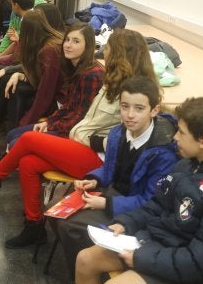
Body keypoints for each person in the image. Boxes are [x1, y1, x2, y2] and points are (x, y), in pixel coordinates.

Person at [0, 29, 158, 248]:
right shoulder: (113, 81)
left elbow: (121, 139)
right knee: (28, 163)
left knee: (29, 140)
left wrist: (87, 139)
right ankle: (34, 227)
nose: (105, 51)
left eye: (108, 47)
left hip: (98, 158)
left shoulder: (134, 93)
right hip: (80, 144)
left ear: (120, 53)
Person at [55, 76, 178, 276]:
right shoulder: (117, 133)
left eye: (139, 108)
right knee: (57, 209)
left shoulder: (162, 151)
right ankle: (84, 270)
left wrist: (106, 204)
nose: (130, 115)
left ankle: (88, 271)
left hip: (133, 210)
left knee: (70, 225)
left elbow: (150, 201)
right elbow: (109, 168)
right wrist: (93, 179)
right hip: (112, 194)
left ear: (154, 110)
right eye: (124, 106)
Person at [75, 97, 203, 284]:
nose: (175, 137)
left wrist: (141, 258)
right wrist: (126, 223)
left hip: (181, 267)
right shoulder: (184, 166)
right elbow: (155, 205)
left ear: (202, 141)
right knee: (85, 260)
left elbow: (196, 263)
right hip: (154, 245)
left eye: (182, 133)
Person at [0, 22, 104, 148]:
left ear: (88, 45)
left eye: (76, 41)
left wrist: (50, 124)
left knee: (16, 142)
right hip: (61, 117)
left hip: (72, 129)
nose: (68, 45)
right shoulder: (71, 64)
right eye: (67, 40)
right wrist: (48, 122)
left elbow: (78, 116)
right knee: (11, 135)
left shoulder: (89, 74)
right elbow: (67, 105)